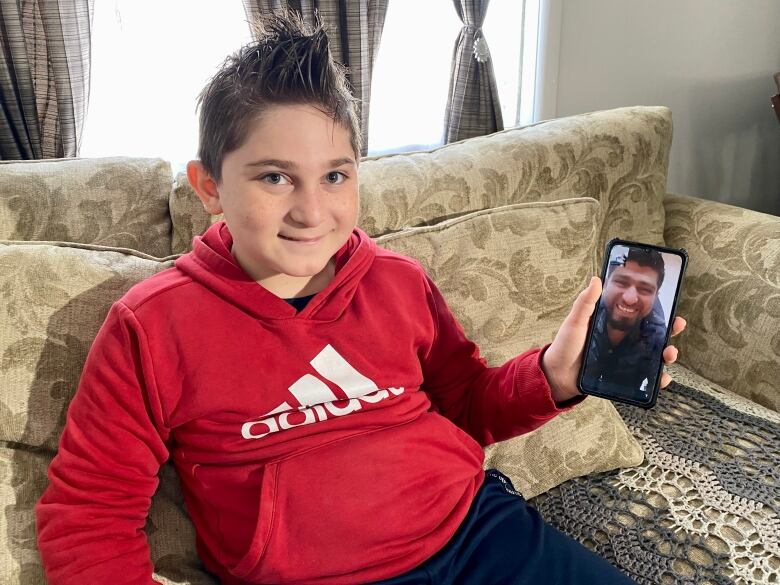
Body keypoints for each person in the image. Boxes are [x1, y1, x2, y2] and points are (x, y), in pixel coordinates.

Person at [34, 9, 686, 585]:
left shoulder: (397, 282)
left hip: (478, 531)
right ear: (209, 187)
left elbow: (467, 405)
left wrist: (553, 375)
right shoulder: (153, 324)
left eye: (335, 175)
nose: (311, 210)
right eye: (274, 177)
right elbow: (88, 516)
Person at [582, 249, 669, 402]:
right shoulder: (586, 315)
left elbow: (652, 389)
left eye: (644, 289)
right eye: (621, 282)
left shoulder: (657, 334)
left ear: (656, 296)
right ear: (606, 282)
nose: (629, 299)